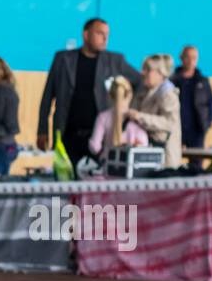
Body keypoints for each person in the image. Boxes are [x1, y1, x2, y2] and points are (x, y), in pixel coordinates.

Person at [37, 18, 141, 168]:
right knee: (62, 184)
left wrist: (125, 109)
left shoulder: (115, 61)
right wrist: (42, 130)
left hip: (100, 138)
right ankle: (58, 194)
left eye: (107, 34)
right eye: (100, 33)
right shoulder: (63, 59)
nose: (105, 38)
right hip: (67, 134)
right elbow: (47, 96)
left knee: (96, 185)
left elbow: (140, 82)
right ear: (86, 35)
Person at [125, 54, 183, 169]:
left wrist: (139, 116)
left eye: (148, 69)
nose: (143, 73)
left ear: (160, 73)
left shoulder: (168, 93)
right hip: (145, 154)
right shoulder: (143, 91)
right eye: (143, 69)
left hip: (165, 157)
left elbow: (169, 123)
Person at [88, 77, 149, 157]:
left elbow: (95, 147)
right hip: (131, 166)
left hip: (107, 164)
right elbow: (144, 144)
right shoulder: (136, 117)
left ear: (110, 96)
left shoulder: (102, 117)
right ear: (130, 95)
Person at [172, 45, 212, 152]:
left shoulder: (202, 81)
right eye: (188, 57)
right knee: (172, 163)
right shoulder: (172, 80)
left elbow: (211, 106)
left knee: (196, 164)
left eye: (194, 58)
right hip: (176, 129)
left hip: (196, 131)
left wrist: (206, 124)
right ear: (181, 58)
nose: (191, 61)